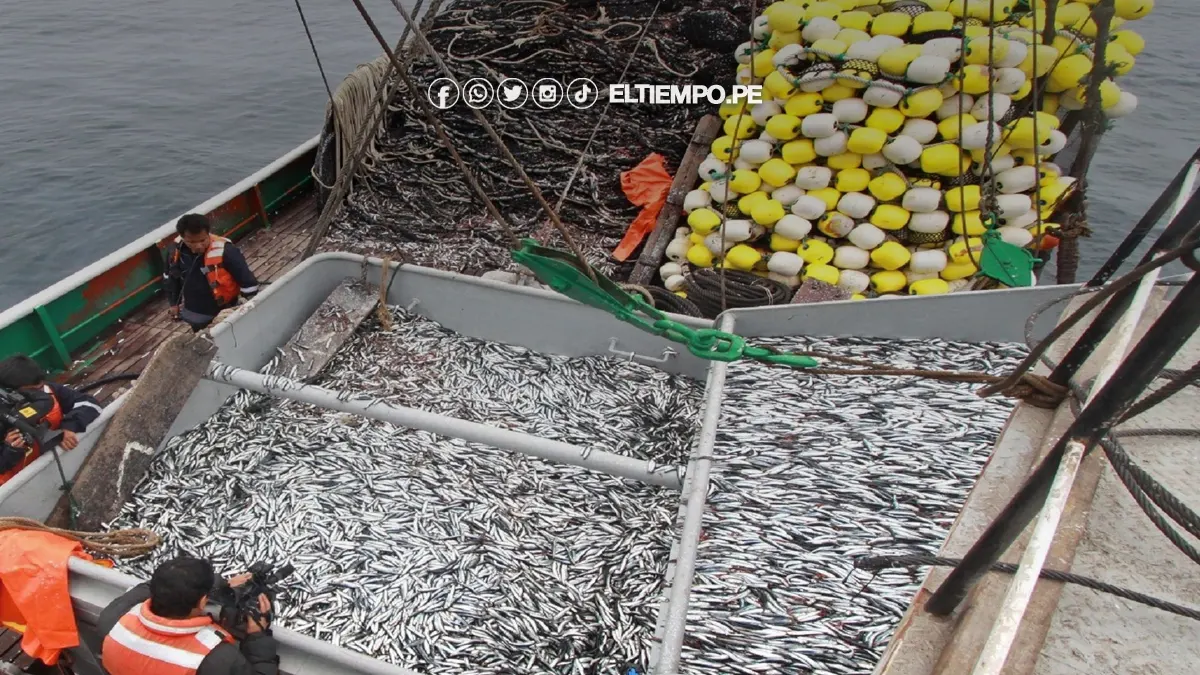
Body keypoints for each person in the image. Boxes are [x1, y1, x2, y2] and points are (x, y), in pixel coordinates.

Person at [95, 556, 280, 675]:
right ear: (202, 602)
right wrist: (257, 636)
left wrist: (221, 587)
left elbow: (147, 587)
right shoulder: (216, 658)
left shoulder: (112, 620)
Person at [0, 354, 103, 486]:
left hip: (55, 466)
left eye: (41, 388)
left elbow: (89, 403)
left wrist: (70, 425)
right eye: (33, 391)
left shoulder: (49, 390)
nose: (41, 393)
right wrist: (11, 450)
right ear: (11, 392)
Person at [164, 214, 259, 332]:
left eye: (203, 240)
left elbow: (248, 283)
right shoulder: (174, 251)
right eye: (192, 242)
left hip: (225, 310)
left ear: (208, 233)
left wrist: (246, 308)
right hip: (194, 312)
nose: (198, 246)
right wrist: (173, 304)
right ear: (182, 238)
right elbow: (171, 279)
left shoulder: (227, 251)